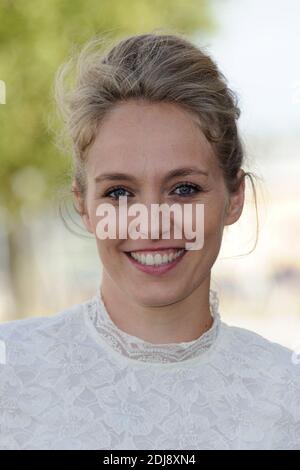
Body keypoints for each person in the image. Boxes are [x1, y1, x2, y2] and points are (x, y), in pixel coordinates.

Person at [0, 32, 299, 450]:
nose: (151, 224)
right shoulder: (9, 373)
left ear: (234, 199)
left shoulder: (290, 396)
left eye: (183, 189)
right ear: (84, 206)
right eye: (119, 193)